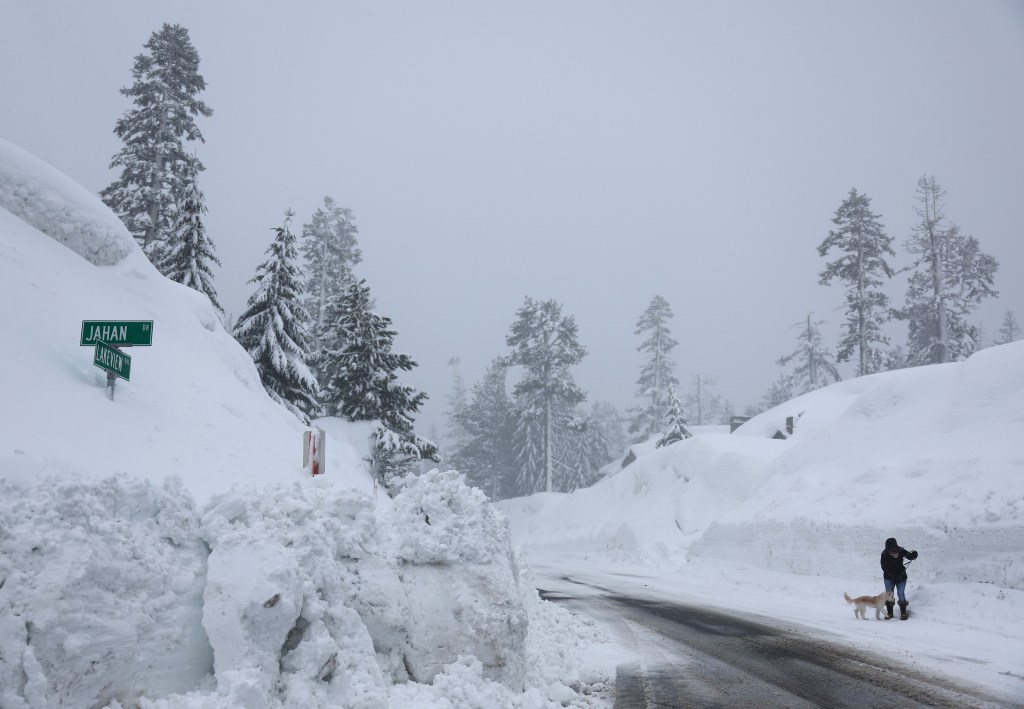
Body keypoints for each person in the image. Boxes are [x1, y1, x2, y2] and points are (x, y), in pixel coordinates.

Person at [881, 537, 918, 620]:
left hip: (900, 577)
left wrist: (914, 554)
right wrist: (892, 574)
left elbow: (910, 556)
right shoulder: (884, 553)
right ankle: (890, 613)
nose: (892, 550)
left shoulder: (901, 551)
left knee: (900, 594)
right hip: (889, 577)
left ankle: (903, 613)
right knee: (890, 594)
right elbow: (883, 567)